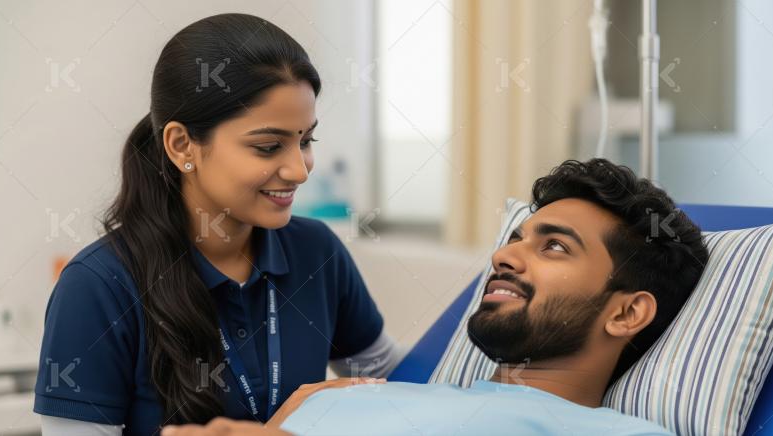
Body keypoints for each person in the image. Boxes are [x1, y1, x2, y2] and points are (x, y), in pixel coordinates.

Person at [33, 13, 400, 436]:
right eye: (268, 147)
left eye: (306, 141)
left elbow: (390, 377)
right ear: (182, 145)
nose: (299, 170)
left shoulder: (317, 251)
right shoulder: (97, 287)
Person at [162, 159, 709, 436]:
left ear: (627, 312)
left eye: (556, 248)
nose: (504, 256)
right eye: (516, 238)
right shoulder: (344, 396)